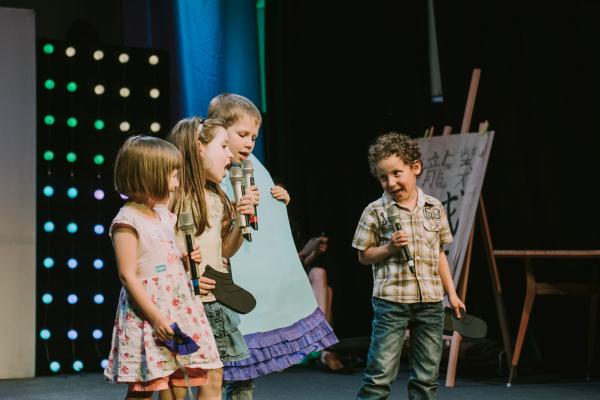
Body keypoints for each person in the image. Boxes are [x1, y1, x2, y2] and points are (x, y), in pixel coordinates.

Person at [209, 93, 338, 399]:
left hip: (246, 275)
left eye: (254, 136)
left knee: (243, 368)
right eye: (242, 134)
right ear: (219, 128)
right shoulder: (213, 170)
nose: (249, 142)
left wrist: (275, 199)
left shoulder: (250, 167)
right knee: (218, 368)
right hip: (219, 276)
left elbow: (258, 217)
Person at [104, 135, 222, 400]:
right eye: (172, 175)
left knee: (178, 379)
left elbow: (163, 253)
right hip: (150, 311)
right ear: (151, 176)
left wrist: (183, 257)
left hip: (176, 304)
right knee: (147, 386)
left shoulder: (163, 215)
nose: (176, 182)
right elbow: (128, 274)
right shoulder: (127, 220)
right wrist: (156, 318)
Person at [352, 132, 465, 399]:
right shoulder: (375, 211)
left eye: (397, 173)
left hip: (430, 302)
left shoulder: (434, 207)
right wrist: (389, 248)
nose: (390, 182)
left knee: (426, 378)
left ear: (415, 168)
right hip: (392, 301)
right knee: (380, 375)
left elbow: (438, 253)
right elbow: (363, 255)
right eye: (383, 177)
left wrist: (452, 294)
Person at [168, 117, 257, 400]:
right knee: (177, 381)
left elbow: (225, 251)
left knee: (213, 376)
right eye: (223, 146)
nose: (230, 155)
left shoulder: (218, 197)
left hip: (212, 301)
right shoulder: (173, 196)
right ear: (199, 148)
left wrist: (241, 219)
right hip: (181, 301)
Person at [298, 235, 345, 372]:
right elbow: (286, 268)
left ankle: (321, 344)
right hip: (281, 284)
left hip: (299, 281)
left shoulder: (296, 225)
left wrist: (314, 252)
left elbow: (302, 265)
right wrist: (305, 251)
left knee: (326, 287)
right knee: (319, 275)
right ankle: (325, 347)